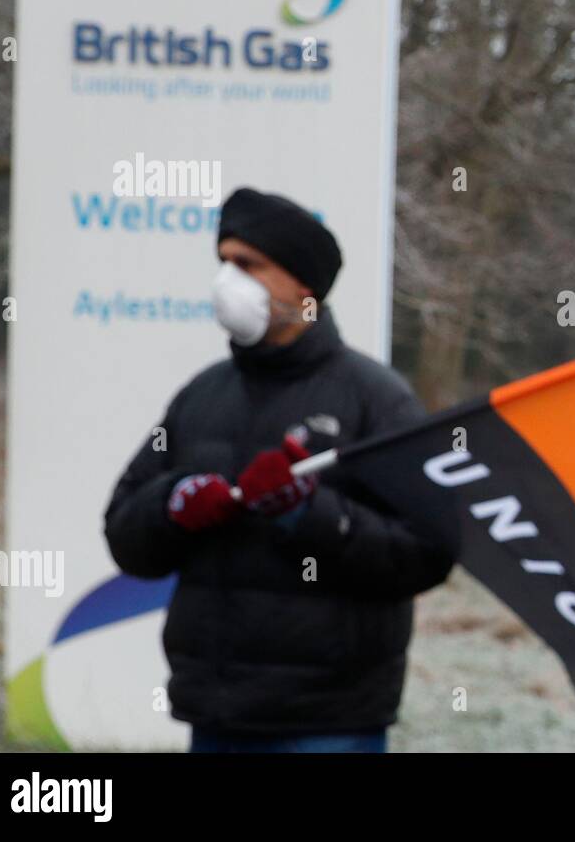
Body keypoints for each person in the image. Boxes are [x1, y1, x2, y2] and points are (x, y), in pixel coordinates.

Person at [104, 186, 458, 753]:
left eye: (248, 265)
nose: (228, 281)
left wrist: (308, 513)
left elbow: (429, 551)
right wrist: (174, 505)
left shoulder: (376, 399)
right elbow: (124, 534)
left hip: (331, 721)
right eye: (222, 263)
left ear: (303, 286)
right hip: (216, 715)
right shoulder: (201, 396)